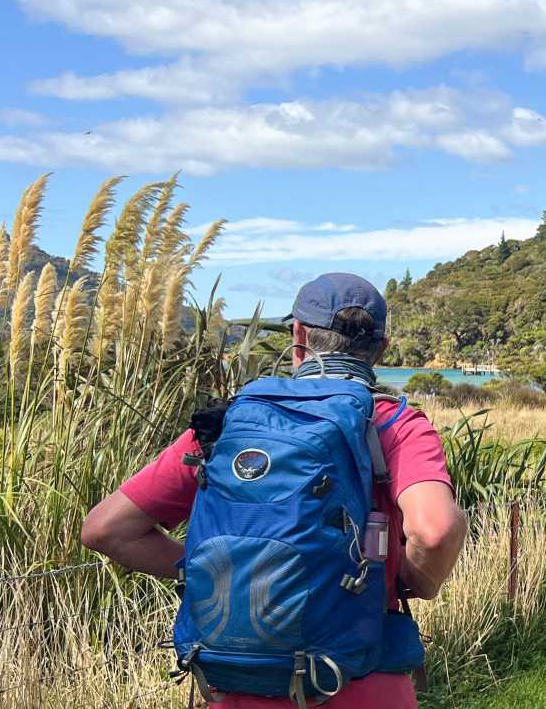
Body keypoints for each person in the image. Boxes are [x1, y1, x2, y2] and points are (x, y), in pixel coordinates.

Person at [81, 273, 467, 708]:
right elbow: (435, 530)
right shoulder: (396, 425)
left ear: (298, 336)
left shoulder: (227, 425)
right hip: (360, 683)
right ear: (381, 349)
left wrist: (227, 574)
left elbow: (105, 529)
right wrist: (415, 583)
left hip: (236, 686)